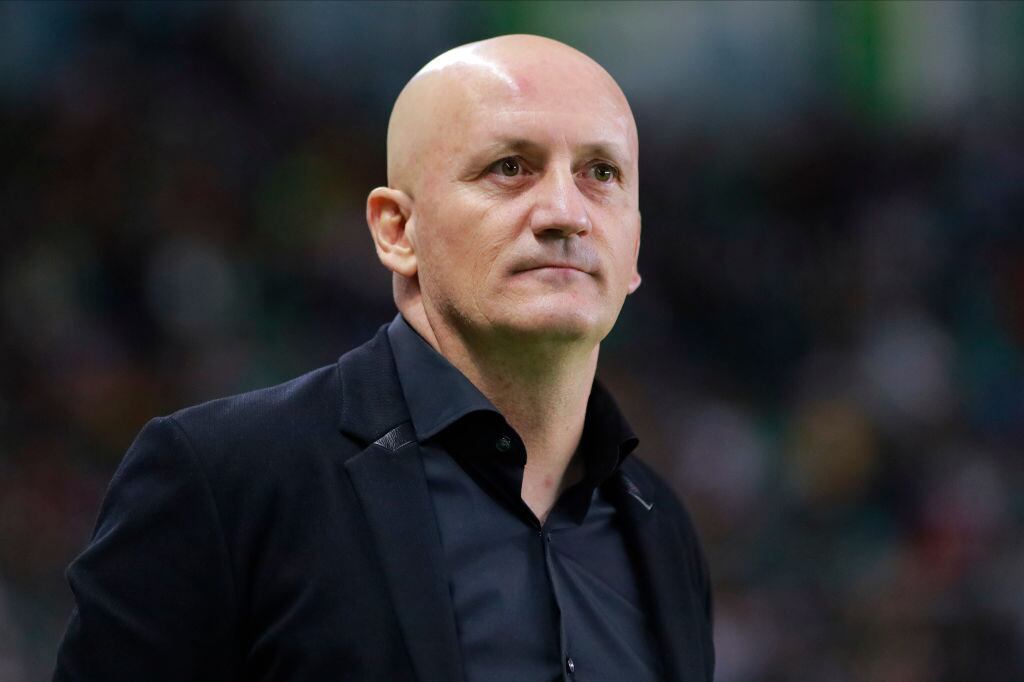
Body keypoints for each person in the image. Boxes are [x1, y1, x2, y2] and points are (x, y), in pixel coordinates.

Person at [53, 34, 714, 682]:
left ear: (633, 252)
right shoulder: (224, 478)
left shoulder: (661, 526)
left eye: (601, 174)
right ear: (398, 231)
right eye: (509, 167)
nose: (566, 213)